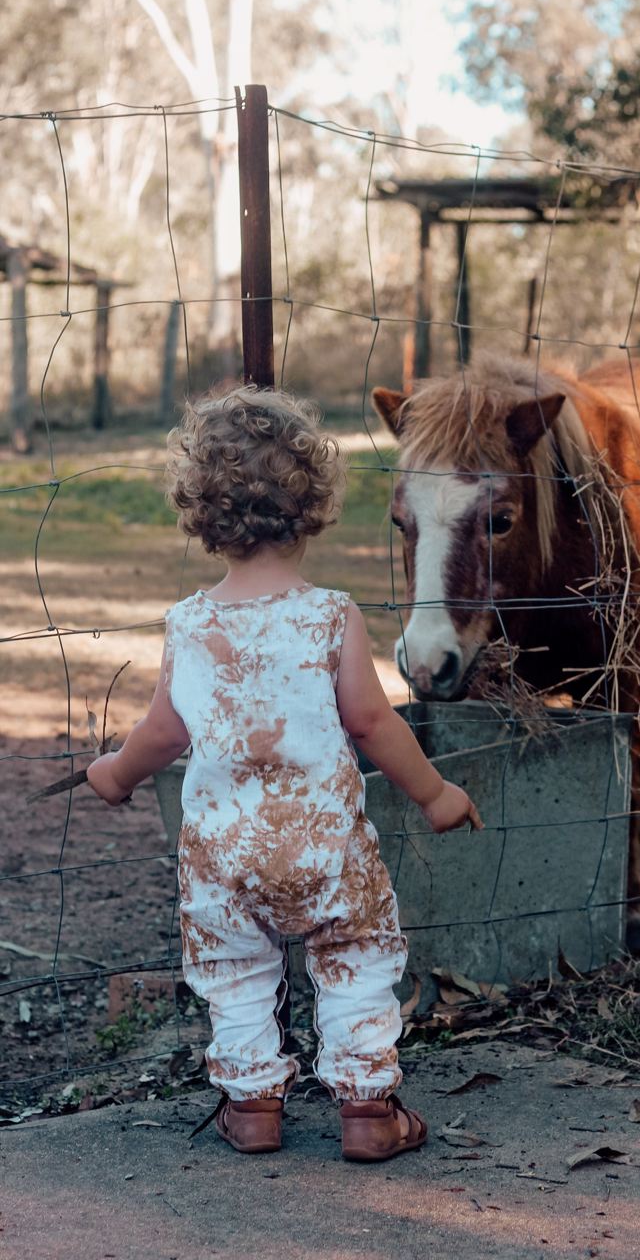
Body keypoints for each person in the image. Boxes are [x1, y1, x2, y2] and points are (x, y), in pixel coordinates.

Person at [87, 386, 482, 1161]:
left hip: (223, 858)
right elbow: (371, 723)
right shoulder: (331, 616)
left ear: (199, 512)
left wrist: (114, 772)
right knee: (355, 959)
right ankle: (367, 1110)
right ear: (313, 506)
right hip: (323, 849)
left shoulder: (189, 624)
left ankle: (251, 1107)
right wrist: (434, 793)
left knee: (234, 971)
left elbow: (163, 732)